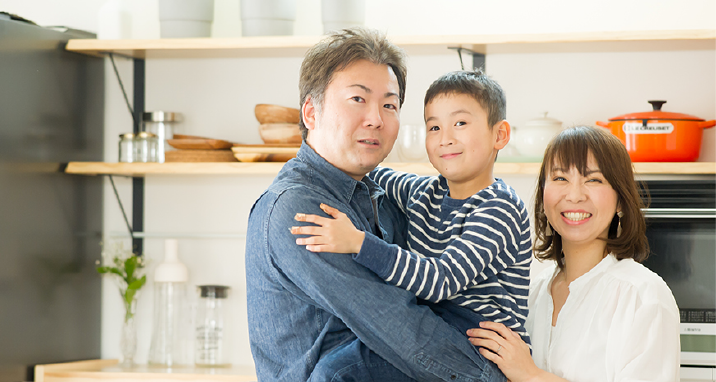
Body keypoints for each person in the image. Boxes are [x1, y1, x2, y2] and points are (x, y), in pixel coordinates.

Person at [246, 28, 505, 382]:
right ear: (310, 113)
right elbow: (397, 324)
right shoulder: (297, 209)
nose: (376, 119)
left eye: (389, 104)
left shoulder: (381, 193)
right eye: (358, 99)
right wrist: (501, 375)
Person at [290, 70, 533, 371]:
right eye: (434, 127)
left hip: (484, 350)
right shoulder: (424, 192)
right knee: (341, 361)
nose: (445, 138)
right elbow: (369, 169)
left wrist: (358, 242)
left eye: (460, 123)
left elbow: (440, 280)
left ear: (500, 135)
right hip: (436, 330)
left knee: (338, 371)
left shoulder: (499, 207)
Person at [466, 125, 681, 382]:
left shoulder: (644, 297)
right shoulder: (532, 294)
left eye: (593, 180)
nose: (575, 195)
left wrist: (530, 375)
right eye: (560, 178)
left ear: (621, 199)